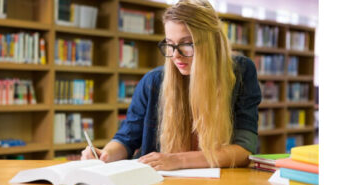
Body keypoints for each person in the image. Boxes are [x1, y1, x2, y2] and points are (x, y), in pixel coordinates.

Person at [81, 0, 261, 171]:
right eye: (170, 44)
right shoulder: (153, 82)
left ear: (211, 43)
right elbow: (127, 139)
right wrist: (106, 154)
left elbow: (244, 150)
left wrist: (177, 160)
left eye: (186, 44)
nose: (175, 55)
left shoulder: (240, 73)